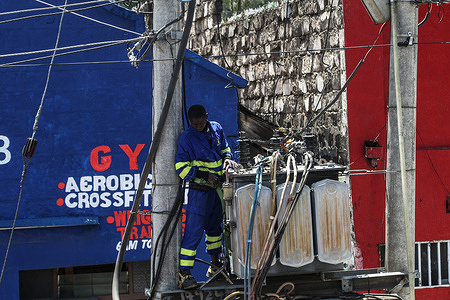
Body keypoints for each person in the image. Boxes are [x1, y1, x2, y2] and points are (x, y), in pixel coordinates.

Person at [175, 104, 238, 289]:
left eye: (201, 123)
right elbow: (181, 168)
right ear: (190, 122)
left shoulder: (217, 128)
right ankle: (185, 273)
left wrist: (227, 158)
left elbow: (226, 148)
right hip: (199, 192)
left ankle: (215, 265)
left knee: (215, 230)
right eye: (195, 124)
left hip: (216, 191)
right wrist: (204, 175)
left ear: (207, 117)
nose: (198, 126)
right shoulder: (186, 139)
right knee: (193, 232)